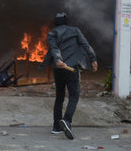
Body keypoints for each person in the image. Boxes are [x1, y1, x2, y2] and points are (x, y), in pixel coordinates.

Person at [41, 12, 98, 140]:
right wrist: (93, 59)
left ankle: (56, 127)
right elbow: (86, 45)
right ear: (66, 21)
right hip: (71, 68)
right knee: (74, 95)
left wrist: (58, 59)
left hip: (59, 68)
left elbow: (54, 48)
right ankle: (67, 120)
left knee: (59, 96)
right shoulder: (75, 30)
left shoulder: (52, 33)